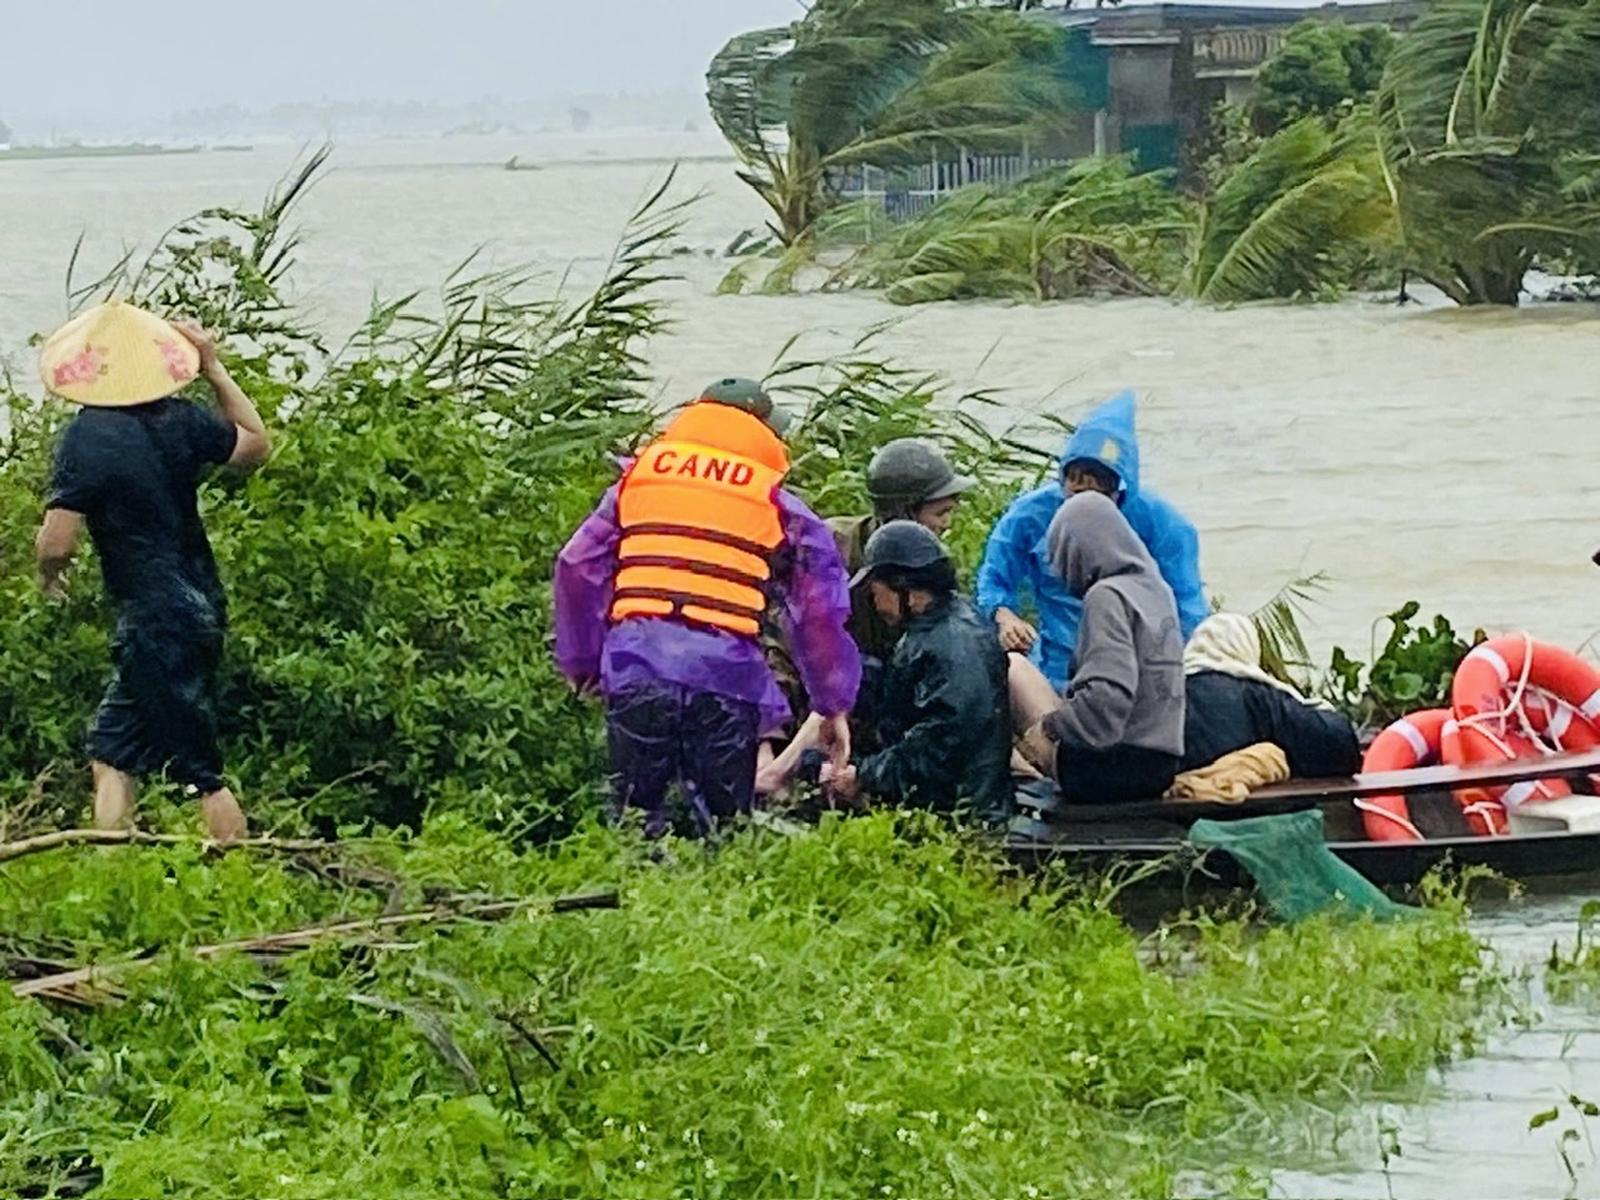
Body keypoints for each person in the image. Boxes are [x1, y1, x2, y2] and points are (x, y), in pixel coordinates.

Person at [554, 377, 860, 838]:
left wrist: (583, 662)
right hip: (726, 679)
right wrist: (832, 704)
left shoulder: (635, 484)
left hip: (639, 666)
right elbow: (818, 611)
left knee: (635, 819)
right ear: (762, 432)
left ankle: (634, 878)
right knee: (722, 827)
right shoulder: (779, 505)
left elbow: (576, 564)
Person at [34, 301, 272, 843]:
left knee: (200, 769)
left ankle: (239, 865)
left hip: (154, 614)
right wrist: (214, 368)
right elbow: (255, 444)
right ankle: (112, 867)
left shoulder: (87, 437)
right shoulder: (181, 419)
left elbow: (57, 541)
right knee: (111, 748)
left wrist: (49, 575)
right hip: (201, 601)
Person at [976, 390, 1207, 691]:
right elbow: (994, 578)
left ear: (1120, 490)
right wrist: (1004, 616)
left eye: (1098, 493)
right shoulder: (1030, 515)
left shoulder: (1164, 525)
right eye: (1075, 486)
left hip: (1136, 666)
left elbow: (1188, 605)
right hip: (1056, 664)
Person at [818, 521, 1013, 824]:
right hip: (968, 798)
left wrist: (866, 776)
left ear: (902, 586)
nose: (875, 603)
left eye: (876, 591)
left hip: (957, 812)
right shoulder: (953, 621)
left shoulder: (946, 644)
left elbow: (941, 744)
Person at [1012, 492, 1185, 804]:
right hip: (1161, 767)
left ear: (1076, 550)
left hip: (1109, 771)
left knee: (1015, 669)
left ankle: (1017, 785)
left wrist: (1048, 728)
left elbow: (1106, 699)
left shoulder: (1107, 596)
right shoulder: (1160, 592)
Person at [1180, 613, 1361, 777]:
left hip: (1176, 799)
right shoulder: (1258, 696)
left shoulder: (1172, 694)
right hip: (1243, 799)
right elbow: (1338, 743)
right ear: (1247, 647)